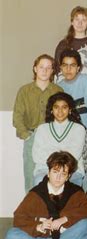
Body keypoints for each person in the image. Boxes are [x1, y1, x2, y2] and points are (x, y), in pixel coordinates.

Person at [5, 151, 87, 239]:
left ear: (68, 177)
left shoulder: (75, 191)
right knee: (11, 235)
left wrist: (64, 219)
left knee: (85, 223)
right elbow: (19, 218)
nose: (58, 177)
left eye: (63, 174)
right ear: (48, 173)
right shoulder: (35, 194)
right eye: (55, 172)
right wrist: (38, 227)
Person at [13, 54, 63, 192]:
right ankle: (32, 211)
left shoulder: (57, 91)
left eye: (49, 68)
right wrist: (26, 135)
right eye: (41, 67)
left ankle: (52, 211)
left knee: (53, 175)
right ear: (35, 69)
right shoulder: (25, 91)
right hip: (32, 137)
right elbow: (17, 116)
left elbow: (63, 115)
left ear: (53, 71)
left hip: (53, 137)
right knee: (30, 175)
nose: (45, 71)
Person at [32, 92, 86, 187]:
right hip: (45, 170)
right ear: (51, 110)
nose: (60, 111)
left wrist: (51, 153)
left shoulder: (79, 129)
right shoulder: (42, 129)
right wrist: (55, 168)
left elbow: (74, 155)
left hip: (71, 171)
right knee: (40, 182)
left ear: (70, 110)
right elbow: (36, 155)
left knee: (71, 190)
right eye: (56, 107)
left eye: (64, 107)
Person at [54, 6, 87, 82]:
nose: (80, 23)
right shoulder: (63, 44)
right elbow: (58, 70)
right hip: (66, 87)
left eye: (84, 20)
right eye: (77, 19)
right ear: (72, 22)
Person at [57, 48, 87, 128]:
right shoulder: (58, 87)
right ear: (61, 68)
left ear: (78, 68)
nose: (68, 69)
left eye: (72, 65)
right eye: (65, 65)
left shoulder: (86, 81)